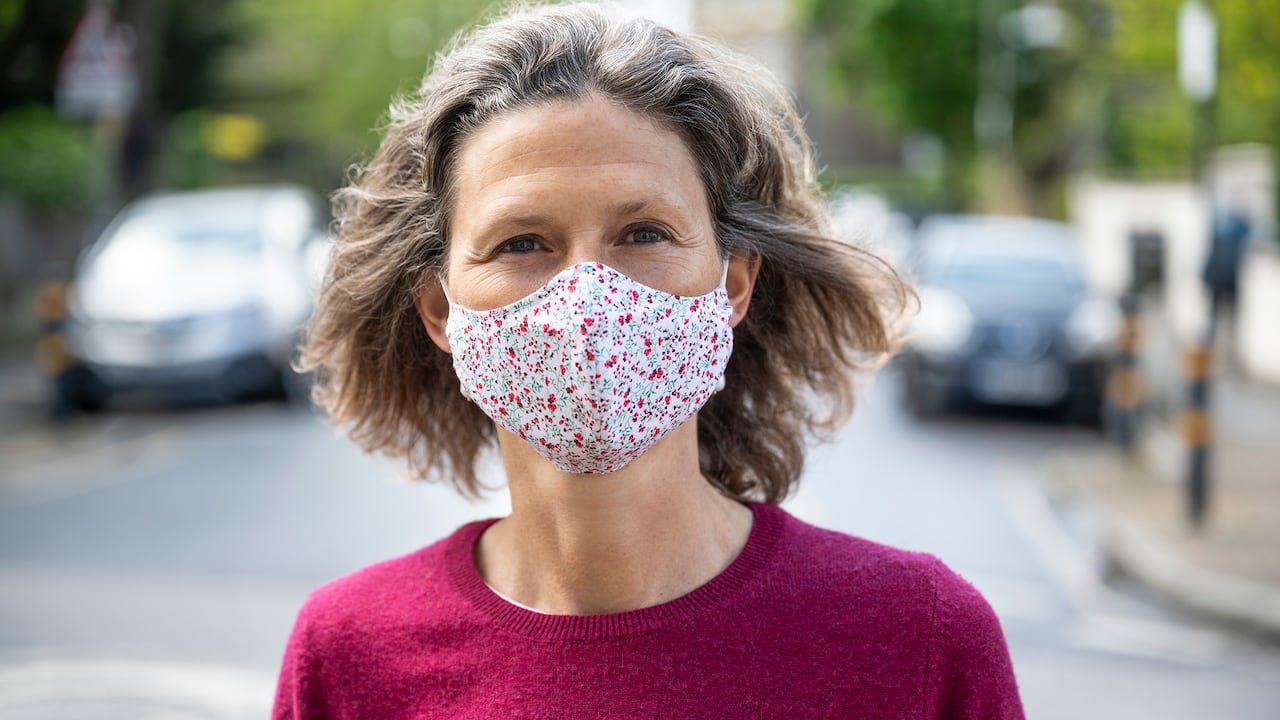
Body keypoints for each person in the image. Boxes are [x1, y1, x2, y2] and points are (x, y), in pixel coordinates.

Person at [272, 3, 1024, 718]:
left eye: (644, 233)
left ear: (733, 283)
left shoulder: (919, 639)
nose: (586, 298)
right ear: (440, 311)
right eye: (522, 243)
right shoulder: (348, 655)